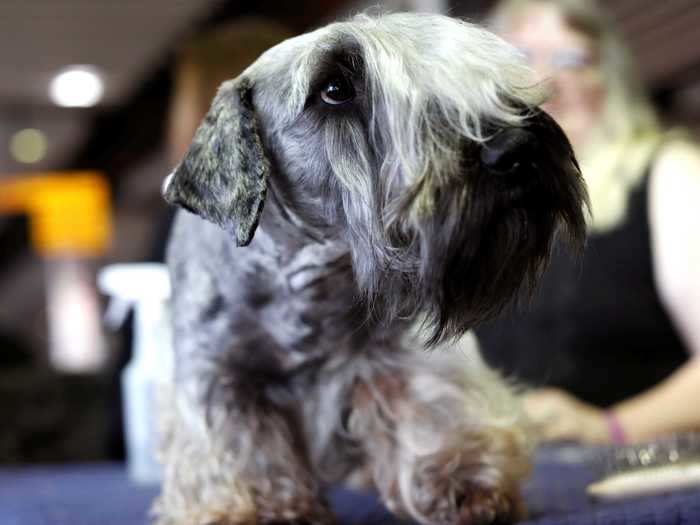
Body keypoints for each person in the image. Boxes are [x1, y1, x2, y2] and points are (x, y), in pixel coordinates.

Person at [475, 0, 700, 444]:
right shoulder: (472, 213)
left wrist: (609, 427)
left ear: (609, 81)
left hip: (639, 475)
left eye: (572, 60)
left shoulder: (667, 174)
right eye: (521, 57)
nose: (547, 78)